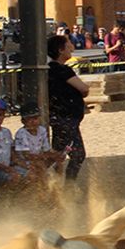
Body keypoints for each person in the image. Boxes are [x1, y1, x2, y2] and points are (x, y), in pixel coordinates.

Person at [47, 34, 90, 183]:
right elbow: (84, 88)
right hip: (65, 119)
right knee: (73, 154)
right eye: (68, 44)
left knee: (61, 153)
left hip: (64, 118)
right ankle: (65, 186)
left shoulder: (52, 69)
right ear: (60, 50)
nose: (71, 47)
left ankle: (59, 185)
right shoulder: (62, 70)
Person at [12, 105, 63, 194]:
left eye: (35, 118)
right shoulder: (21, 133)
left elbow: (47, 150)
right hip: (23, 162)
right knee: (40, 165)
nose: (33, 122)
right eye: (29, 119)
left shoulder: (42, 130)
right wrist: (47, 156)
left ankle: (58, 186)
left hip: (38, 158)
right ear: (23, 121)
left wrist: (57, 155)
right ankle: (44, 190)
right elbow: (27, 155)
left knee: (58, 161)